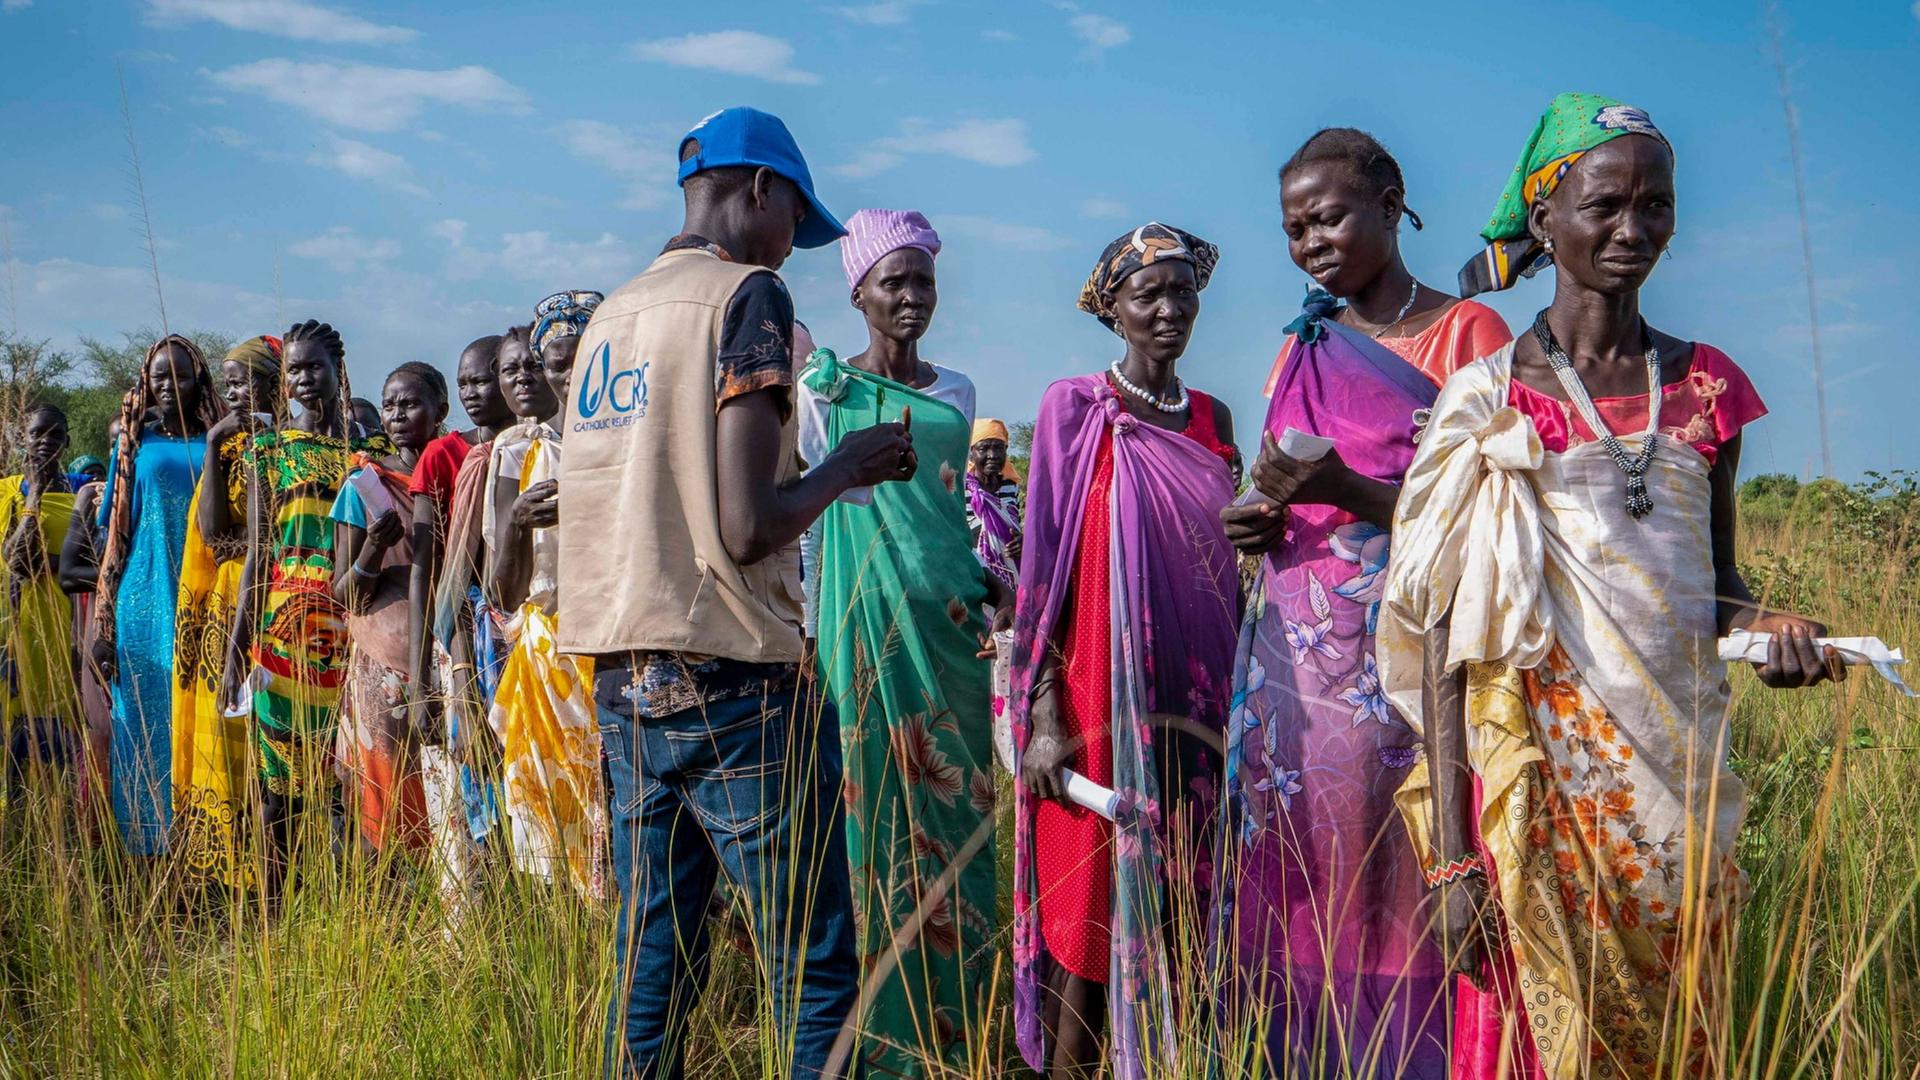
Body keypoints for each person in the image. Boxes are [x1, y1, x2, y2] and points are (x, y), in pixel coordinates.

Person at [1378, 93, 1841, 1079]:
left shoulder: (1707, 384)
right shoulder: (1488, 403)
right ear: (1545, 220)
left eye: (1657, 206)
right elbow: (1453, 640)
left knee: (1683, 1040)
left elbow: (1720, 589)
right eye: (1605, 206)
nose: (1635, 229)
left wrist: (1776, 634)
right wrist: (1458, 854)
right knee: (1538, 1046)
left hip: (1678, 792)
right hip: (1540, 793)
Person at [557, 106, 914, 1080]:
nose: (792, 249)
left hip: (625, 684)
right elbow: (749, 525)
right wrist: (844, 465)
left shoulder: (606, 319)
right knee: (814, 969)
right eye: (795, 221)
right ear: (760, 187)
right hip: (736, 684)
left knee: (655, 965)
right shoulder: (747, 297)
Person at [1215, 129, 1512, 1077]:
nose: (1310, 242)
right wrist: (1258, 520)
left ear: (1392, 202)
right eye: (1295, 227)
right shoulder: (1299, 344)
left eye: (1329, 215)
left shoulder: (1469, 338)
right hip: (1293, 671)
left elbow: (1490, 515)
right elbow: (1282, 486)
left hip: (1412, 661)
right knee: (1303, 869)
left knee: (1405, 857)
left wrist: (1348, 493)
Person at [1011, 223, 1240, 1079]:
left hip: (1195, 698)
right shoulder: (1073, 406)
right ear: (1113, 309)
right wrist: (1040, 717)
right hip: (1094, 703)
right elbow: (1042, 572)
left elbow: (1219, 561)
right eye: (1149, 294)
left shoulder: (1212, 418)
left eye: (1183, 292)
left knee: (1186, 907)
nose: (1171, 309)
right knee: (1089, 913)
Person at [796, 209, 1004, 1075]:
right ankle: (884, 1045)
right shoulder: (823, 390)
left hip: (952, 630)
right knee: (874, 822)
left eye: (923, 281)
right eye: (896, 282)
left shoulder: (956, 392)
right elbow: (810, 515)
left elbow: (948, 514)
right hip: (864, 626)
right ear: (859, 293)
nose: (913, 297)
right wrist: (810, 634)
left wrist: (994, 586)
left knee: (960, 815)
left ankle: (967, 1031)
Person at [241, 319, 391, 898]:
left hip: (356, 629)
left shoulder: (368, 451)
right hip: (282, 636)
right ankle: (277, 908)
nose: (304, 378)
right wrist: (237, 644)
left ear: (338, 371)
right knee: (279, 785)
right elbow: (259, 553)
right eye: (294, 369)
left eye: (315, 367)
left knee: (347, 776)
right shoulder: (270, 449)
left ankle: (349, 909)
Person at [483, 322, 605, 897]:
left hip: (612, 647)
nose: (568, 374)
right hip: (545, 648)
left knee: (614, 818)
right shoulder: (520, 450)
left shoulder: (625, 439)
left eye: (583, 358)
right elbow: (501, 591)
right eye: (557, 364)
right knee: (546, 820)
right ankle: (563, 964)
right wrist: (516, 522)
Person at [92, 335, 220, 856]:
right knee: (143, 732)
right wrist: (103, 626)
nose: (170, 386)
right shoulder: (133, 441)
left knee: (201, 729)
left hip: (205, 599)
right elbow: (115, 537)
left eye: (181, 376)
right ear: (147, 382)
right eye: (160, 376)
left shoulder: (219, 439)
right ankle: (146, 858)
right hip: (142, 600)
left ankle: (202, 856)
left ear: (198, 382)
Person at [172, 334, 284, 889]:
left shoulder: (289, 446)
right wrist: (216, 444)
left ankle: (274, 878)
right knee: (229, 728)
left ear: (274, 383)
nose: (236, 392)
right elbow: (215, 532)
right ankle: (231, 874)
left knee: (272, 742)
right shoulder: (234, 448)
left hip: (277, 599)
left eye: (246, 380)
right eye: (231, 383)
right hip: (229, 598)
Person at [408, 334, 511, 914]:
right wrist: (430, 669)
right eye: (466, 382)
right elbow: (429, 569)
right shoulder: (444, 455)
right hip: (465, 636)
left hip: (526, 633)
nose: (475, 392)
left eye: (484, 379)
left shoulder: (534, 443)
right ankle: (487, 921)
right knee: (476, 773)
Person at [331, 362, 448, 856]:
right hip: (383, 668)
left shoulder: (458, 474)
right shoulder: (365, 487)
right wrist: (374, 550)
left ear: (440, 411)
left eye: (411, 403)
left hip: (446, 657)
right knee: (383, 797)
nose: (398, 415)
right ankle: (386, 912)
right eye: (390, 405)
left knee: (449, 796)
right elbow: (343, 594)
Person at [1, 405, 82, 818]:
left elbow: (87, 564)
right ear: (23, 439)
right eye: (37, 434)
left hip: (58, 630)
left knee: (54, 740)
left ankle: (52, 823)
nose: (46, 441)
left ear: (67, 441)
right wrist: (33, 495)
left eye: (55, 434)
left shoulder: (79, 495)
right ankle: (12, 826)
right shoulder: (6, 492)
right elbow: (15, 559)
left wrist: (51, 564)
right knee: (9, 730)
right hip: (11, 631)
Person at [963, 418, 1022, 589]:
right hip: (975, 571)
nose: (993, 455)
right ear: (971, 452)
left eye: (999, 448)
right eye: (984, 448)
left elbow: (1014, 524)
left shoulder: (1010, 486)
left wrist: (1022, 542)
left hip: (1011, 572)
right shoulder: (962, 487)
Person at [532, 289, 603, 405]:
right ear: (543, 370)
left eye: (586, 364)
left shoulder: (635, 422)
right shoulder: (530, 424)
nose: (572, 378)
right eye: (559, 368)